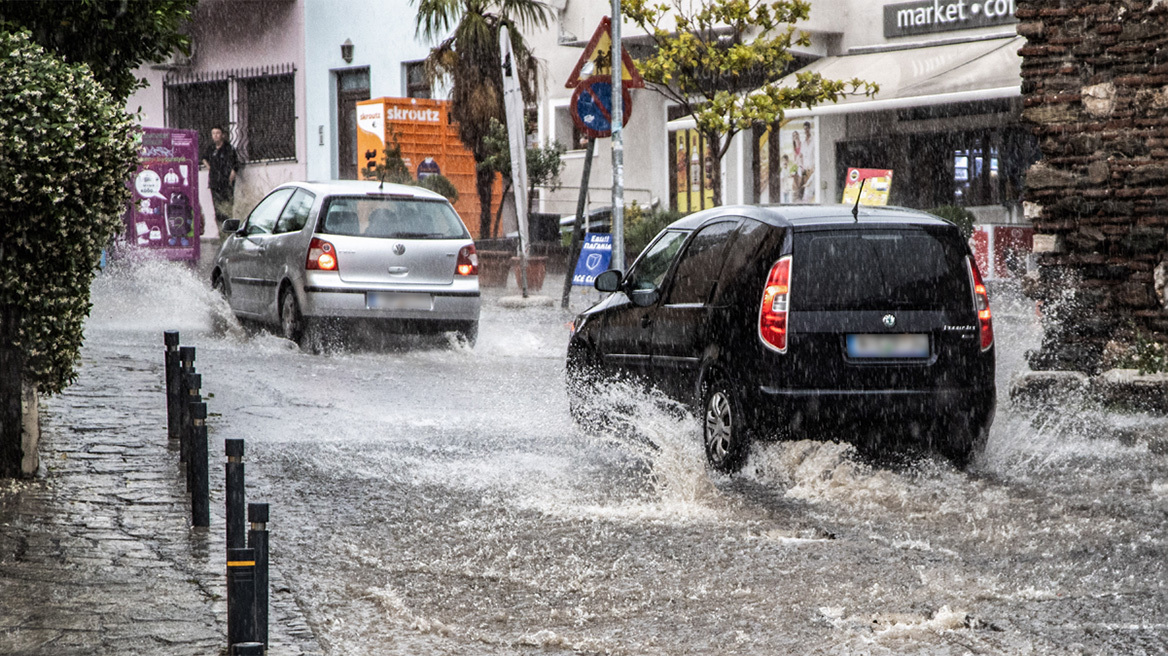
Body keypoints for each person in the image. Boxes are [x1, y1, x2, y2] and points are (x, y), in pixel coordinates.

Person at [201, 126, 238, 235]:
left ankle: (229, 233)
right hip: (214, 183)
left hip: (226, 183)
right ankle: (221, 233)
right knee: (217, 209)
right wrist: (208, 166)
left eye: (218, 133)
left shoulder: (228, 148)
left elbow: (236, 163)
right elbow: (204, 158)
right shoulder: (211, 148)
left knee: (227, 208)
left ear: (222, 135)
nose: (216, 135)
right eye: (213, 133)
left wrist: (232, 173)